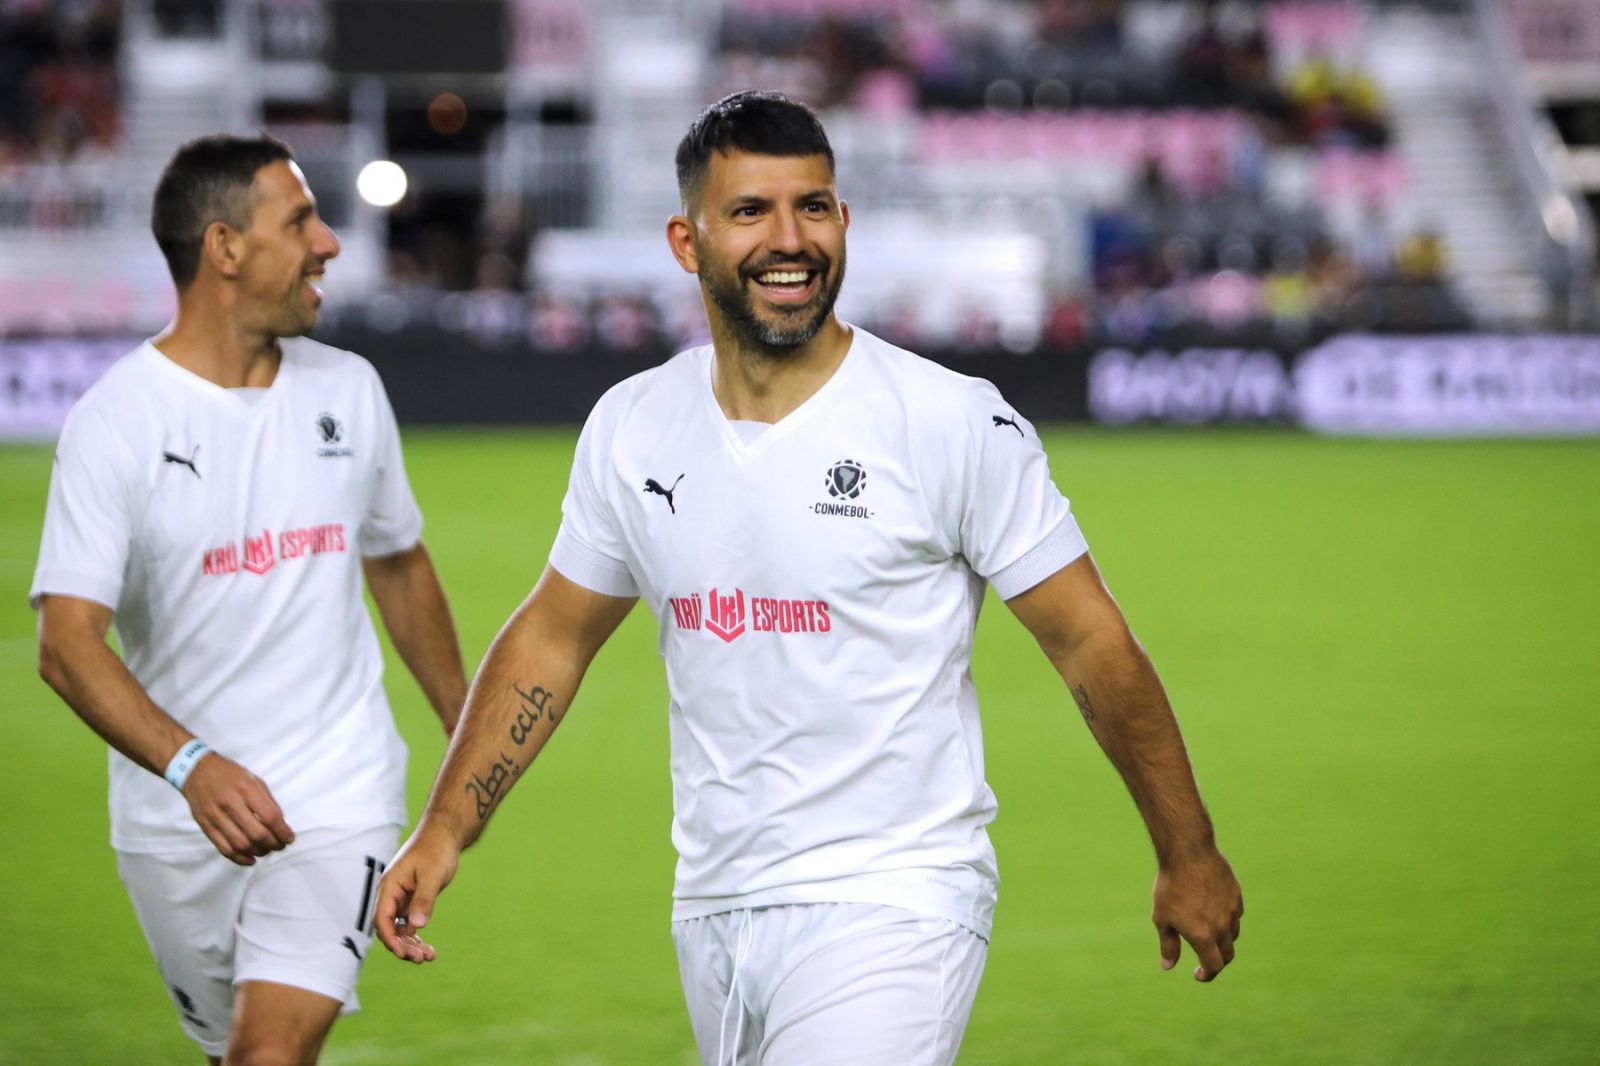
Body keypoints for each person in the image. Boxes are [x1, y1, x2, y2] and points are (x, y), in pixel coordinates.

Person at [374, 91, 1242, 1064]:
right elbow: (553, 634)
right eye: (750, 211)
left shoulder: (950, 419)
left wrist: (1187, 847)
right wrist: (444, 829)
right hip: (714, 901)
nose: (790, 239)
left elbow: (1088, 638)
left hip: (898, 895)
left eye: (813, 206)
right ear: (685, 239)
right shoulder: (631, 424)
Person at [31, 133, 467, 1066]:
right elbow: (67, 643)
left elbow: (397, 561)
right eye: (300, 220)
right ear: (225, 248)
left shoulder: (349, 392)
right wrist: (191, 766)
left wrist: (464, 732)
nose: (330, 245)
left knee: (269, 1052)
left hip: (337, 789)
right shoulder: (116, 423)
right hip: (173, 819)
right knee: (233, 1052)